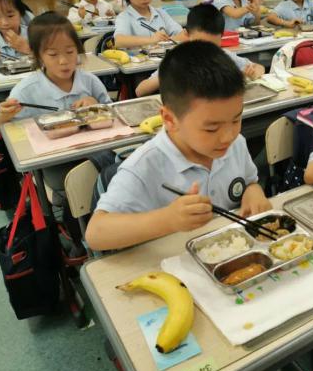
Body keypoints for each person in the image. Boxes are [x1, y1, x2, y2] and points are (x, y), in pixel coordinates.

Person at [86, 41, 272, 250]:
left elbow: (250, 182)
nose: (228, 136)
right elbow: (96, 234)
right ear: (170, 119)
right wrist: (168, 220)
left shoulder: (235, 144)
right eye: (212, 129)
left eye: (236, 119)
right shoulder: (144, 165)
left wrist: (253, 193)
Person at [0, 12, 111, 136]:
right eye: (53, 54)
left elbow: (113, 113)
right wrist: (3, 116)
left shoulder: (89, 81)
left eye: (70, 51)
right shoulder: (25, 90)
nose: (63, 61)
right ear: (38, 56)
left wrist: (95, 105)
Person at [135, 4, 264, 97]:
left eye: (212, 46)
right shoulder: (177, 60)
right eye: (200, 44)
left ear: (221, 38)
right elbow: (140, 91)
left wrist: (252, 73)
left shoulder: (224, 56)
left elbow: (259, 68)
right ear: (187, 35)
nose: (206, 51)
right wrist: (168, 75)